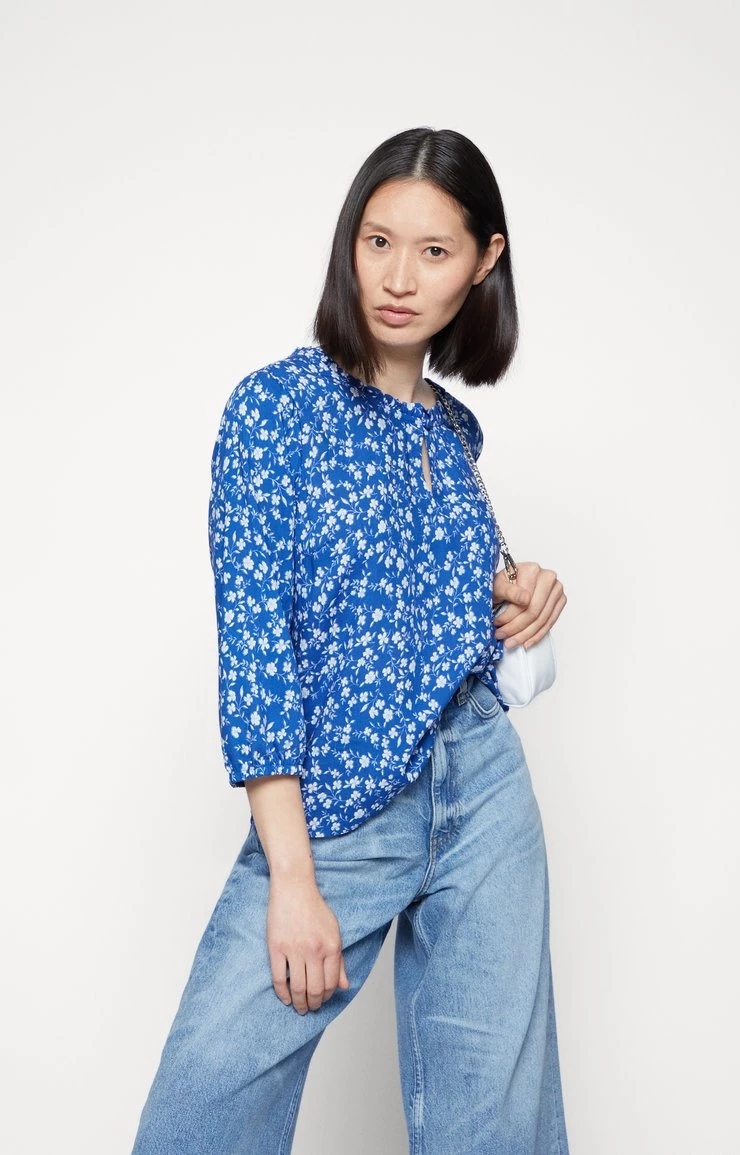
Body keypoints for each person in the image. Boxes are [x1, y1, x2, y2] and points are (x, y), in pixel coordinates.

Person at [131, 126, 570, 1154]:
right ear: (350, 242)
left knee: (496, 1127)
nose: (398, 278)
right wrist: (292, 877)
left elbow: (435, 617)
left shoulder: (452, 433)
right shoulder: (277, 409)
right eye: (378, 242)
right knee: (202, 1110)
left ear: (484, 262)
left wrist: (524, 591)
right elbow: (258, 650)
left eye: (433, 251)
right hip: (337, 809)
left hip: (484, 793)